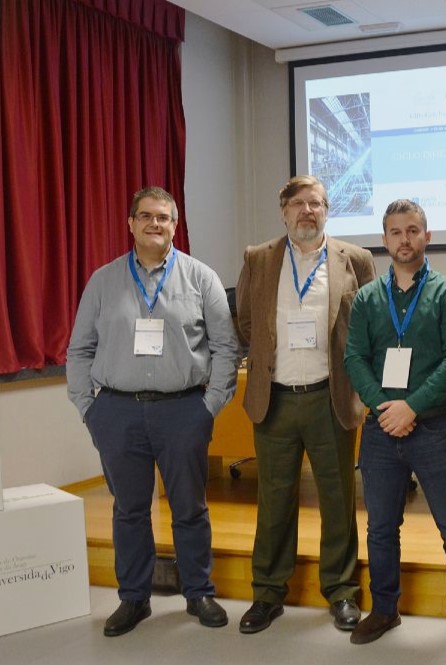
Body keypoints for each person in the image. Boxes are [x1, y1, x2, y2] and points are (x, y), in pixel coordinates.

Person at [66, 186, 238, 636]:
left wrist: (211, 405)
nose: (154, 224)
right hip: (118, 414)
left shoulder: (201, 278)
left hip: (183, 411)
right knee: (128, 510)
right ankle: (133, 599)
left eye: (163, 217)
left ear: (174, 225)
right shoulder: (103, 281)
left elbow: (225, 347)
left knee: (190, 508)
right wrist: (89, 407)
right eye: (145, 216)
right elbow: (80, 349)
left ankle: (198, 592)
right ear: (131, 224)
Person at [343, 199, 446, 649]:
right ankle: (385, 609)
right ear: (384, 240)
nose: (404, 239)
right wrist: (386, 407)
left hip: (436, 428)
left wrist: (412, 407)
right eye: (395, 232)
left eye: (412, 230)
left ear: (427, 236)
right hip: (382, 430)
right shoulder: (367, 298)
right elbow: (354, 358)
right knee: (381, 528)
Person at [234, 175, 375, 634]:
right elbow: (247, 323)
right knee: (273, 501)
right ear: (284, 211)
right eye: (298, 204)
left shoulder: (355, 259)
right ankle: (268, 593)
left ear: (327, 210)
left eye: (315, 203)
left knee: (337, 500)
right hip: (274, 399)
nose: (307, 211)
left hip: (329, 398)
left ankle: (341, 592)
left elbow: (368, 326)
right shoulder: (258, 258)